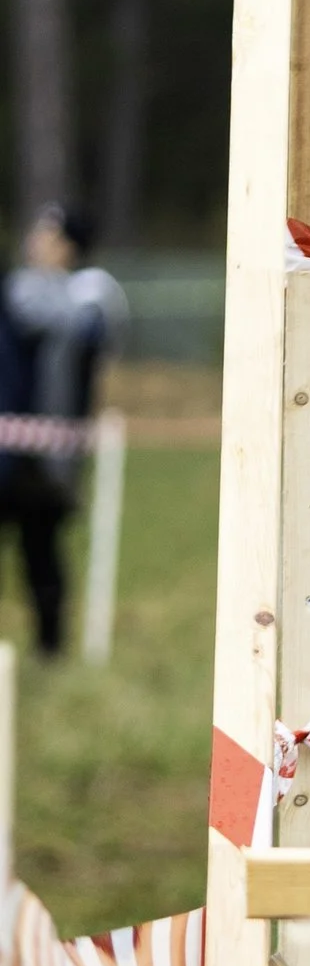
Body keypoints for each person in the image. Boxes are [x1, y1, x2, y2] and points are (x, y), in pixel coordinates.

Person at [0, 207, 125, 657]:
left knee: (41, 551)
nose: (37, 241)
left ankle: (50, 648)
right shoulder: (17, 292)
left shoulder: (91, 298)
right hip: (12, 451)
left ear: (68, 245)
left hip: (48, 455)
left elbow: (86, 335)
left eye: (48, 234)